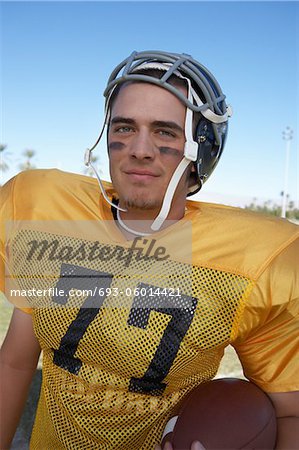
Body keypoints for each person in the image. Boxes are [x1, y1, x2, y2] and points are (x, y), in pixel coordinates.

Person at [0, 50, 298, 450]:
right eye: (124, 127)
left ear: (200, 152)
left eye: (165, 131)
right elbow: (15, 360)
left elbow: (290, 410)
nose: (139, 148)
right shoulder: (48, 209)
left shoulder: (260, 259)